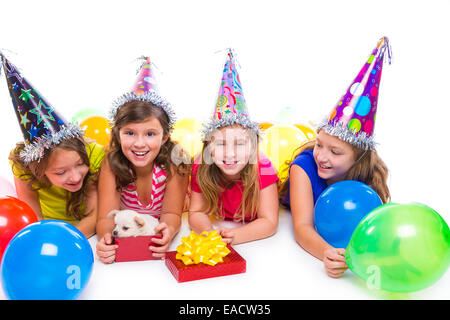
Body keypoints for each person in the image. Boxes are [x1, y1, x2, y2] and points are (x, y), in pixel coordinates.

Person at [279, 37, 392, 278]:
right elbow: (302, 227)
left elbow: (374, 223)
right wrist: (328, 253)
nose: (322, 156)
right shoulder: (304, 166)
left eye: (336, 152)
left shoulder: (369, 175)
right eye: (320, 144)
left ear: (358, 158)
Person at [95, 57, 189, 263]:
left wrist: (168, 231)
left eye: (150, 134)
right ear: (118, 134)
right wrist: (106, 239)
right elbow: (105, 218)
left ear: (164, 137)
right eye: (129, 133)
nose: (139, 143)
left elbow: (172, 212)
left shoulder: (176, 162)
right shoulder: (111, 163)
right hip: (128, 235)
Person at [1, 53, 105, 238]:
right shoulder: (24, 164)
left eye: (80, 164)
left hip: (85, 231)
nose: (75, 176)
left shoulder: (94, 154)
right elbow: (34, 219)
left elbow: (93, 217)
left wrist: (66, 243)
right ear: (38, 170)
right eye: (60, 172)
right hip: (49, 226)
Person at [188, 49, 279, 245]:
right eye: (220, 144)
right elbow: (195, 211)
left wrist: (235, 236)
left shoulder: (263, 169)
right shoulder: (201, 166)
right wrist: (208, 233)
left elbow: (269, 221)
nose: (230, 153)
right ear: (208, 148)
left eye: (240, 143)